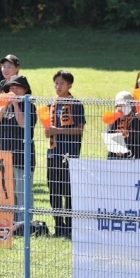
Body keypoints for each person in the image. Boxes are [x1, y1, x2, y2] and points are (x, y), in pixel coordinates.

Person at [43, 70, 85, 238]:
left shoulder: (76, 104)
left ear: (69, 85)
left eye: (62, 83)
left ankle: (70, 227)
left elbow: (79, 129)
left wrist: (57, 131)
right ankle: (58, 225)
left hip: (69, 154)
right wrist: (49, 132)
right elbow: (50, 129)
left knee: (68, 191)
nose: (58, 86)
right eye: (56, 83)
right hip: (53, 153)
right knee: (54, 190)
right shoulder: (51, 105)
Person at [0, 75, 37, 224]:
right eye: (11, 88)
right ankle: (11, 222)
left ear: (25, 90)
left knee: (22, 191)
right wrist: (4, 106)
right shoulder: (4, 105)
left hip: (22, 157)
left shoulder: (29, 106)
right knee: (7, 191)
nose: (14, 91)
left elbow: (24, 124)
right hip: (4, 156)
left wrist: (16, 105)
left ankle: (24, 224)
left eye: (17, 88)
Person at [106, 91, 140, 159]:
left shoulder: (137, 122)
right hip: (114, 159)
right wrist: (116, 149)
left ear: (131, 106)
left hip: (133, 160)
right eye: (118, 106)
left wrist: (126, 151)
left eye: (123, 105)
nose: (120, 108)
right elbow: (109, 139)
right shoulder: (113, 121)